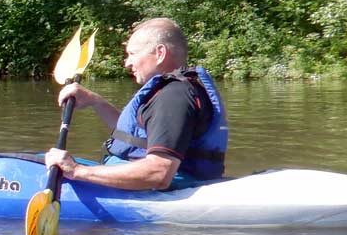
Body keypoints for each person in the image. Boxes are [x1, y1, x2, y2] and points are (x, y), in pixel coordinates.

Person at [44, 17, 228, 190]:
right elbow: (135, 136)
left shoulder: (173, 97)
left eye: (132, 54)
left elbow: (160, 172)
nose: (127, 63)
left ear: (160, 53)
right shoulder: (170, 91)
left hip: (166, 192)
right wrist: (95, 101)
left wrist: (76, 171)